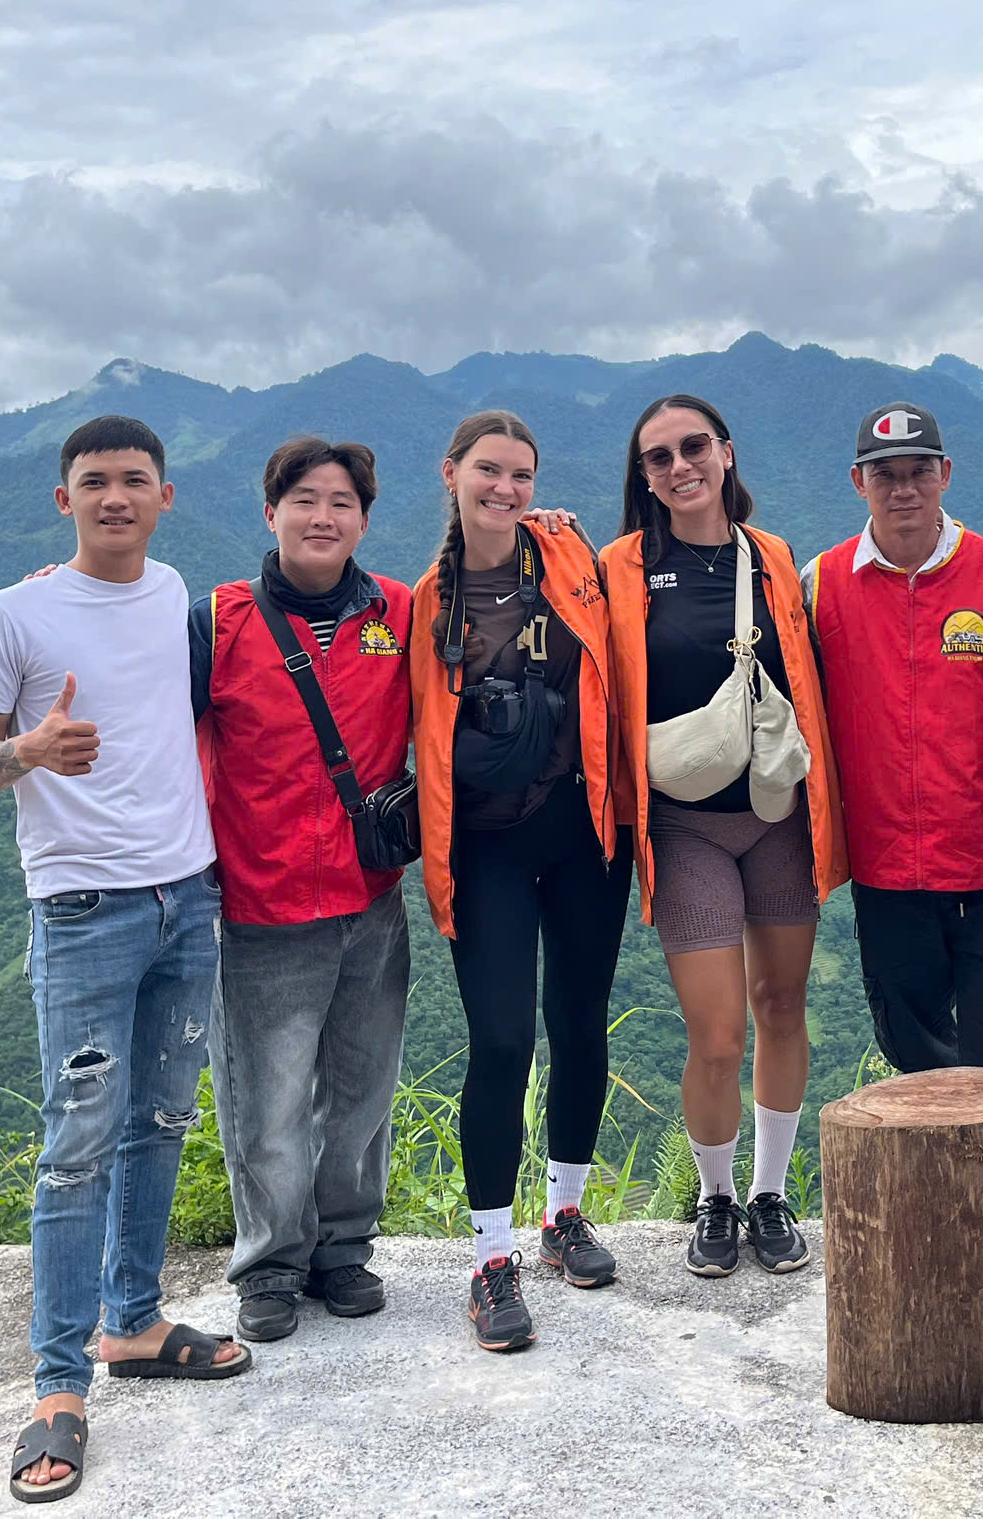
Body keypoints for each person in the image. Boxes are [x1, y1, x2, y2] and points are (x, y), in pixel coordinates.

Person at [0, 415, 248, 1507]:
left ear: (165, 496)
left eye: (133, 480)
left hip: (189, 895)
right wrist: (28, 749)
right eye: (93, 481)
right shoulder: (13, 613)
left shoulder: (173, 594)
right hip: (82, 908)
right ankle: (57, 1386)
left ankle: (134, 1321)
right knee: (76, 1147)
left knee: (159, 1120)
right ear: (63, 498)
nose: (114, 496)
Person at [600, 394, 845, 1279]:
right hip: (683, 823)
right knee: (716, 1035)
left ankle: (771, 1194)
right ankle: (714, 1196)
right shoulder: (621, 566)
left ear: (727, 452)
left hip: (777, 812)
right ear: (643, 476)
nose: (680, 467)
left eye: (693, 447)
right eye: (658, 457)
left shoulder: (770, 556)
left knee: (782, 1006)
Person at [409, 410, 631, 1352]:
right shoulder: (425, 601)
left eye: (522, 476)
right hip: (486, 846)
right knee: (501, 1041)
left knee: (580, 1025)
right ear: (451, 473)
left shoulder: (570, 557)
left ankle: (564, 1215)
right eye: (488, 471)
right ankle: (490, 1260)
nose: (505, 489)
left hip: (585, 829)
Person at [190, 436, 415, 1343]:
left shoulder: (398, 611)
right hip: (263, 903)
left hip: (371, 899)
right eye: (305, 500)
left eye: (341, 503)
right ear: (271, 511)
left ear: (364, 519)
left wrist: (543, 537)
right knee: (269, 1105)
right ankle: (271, 1265)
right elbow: (147, 719)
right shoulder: (217, 621)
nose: (323, 517)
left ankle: (342, 1250)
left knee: (361, 1092)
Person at [803, 401, 983, 1078]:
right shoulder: (820, 584)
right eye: (885, 474)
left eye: (919, 471)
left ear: (945, 474)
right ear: (859, 482)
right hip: (885, 866)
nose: (903, 489)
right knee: (914, 1060)